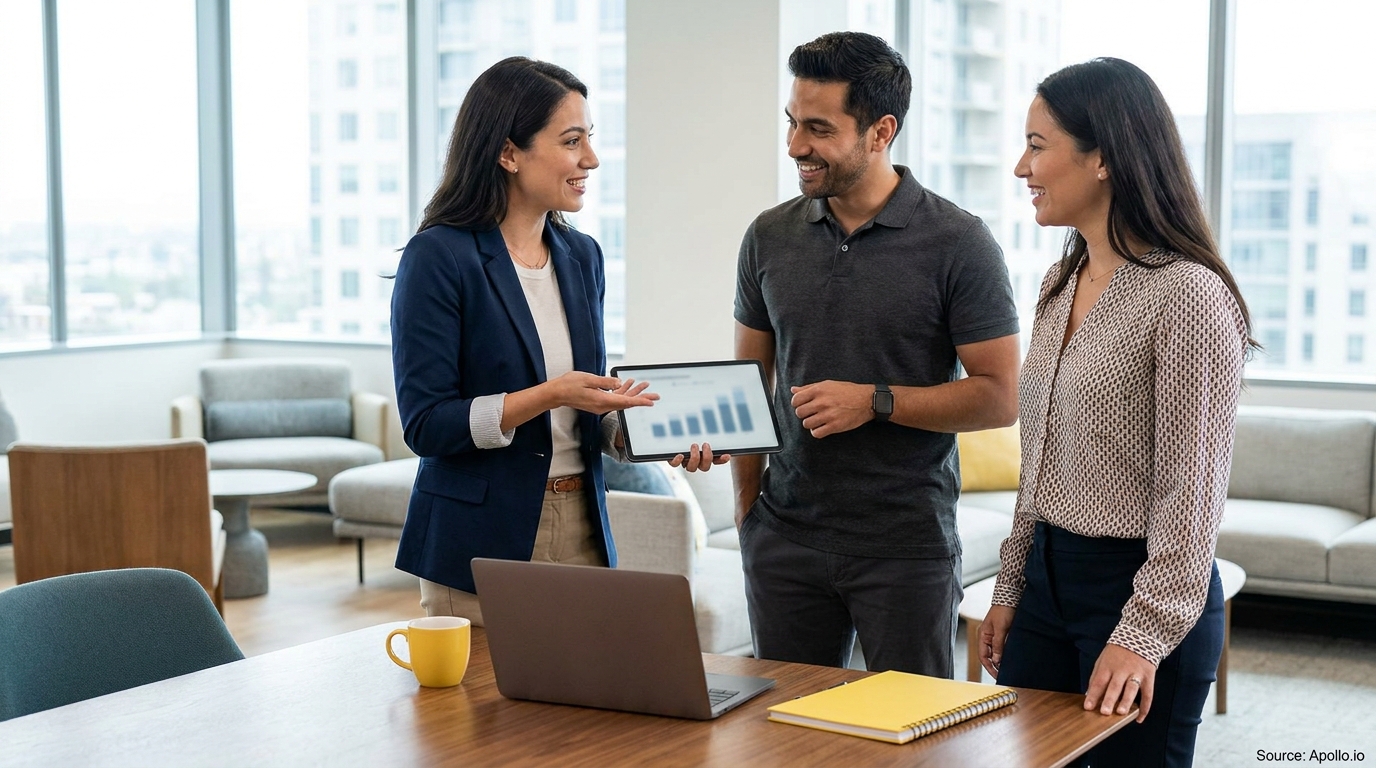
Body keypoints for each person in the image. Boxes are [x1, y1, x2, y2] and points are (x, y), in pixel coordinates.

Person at [978, 58, 1253, 767]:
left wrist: (1144, 630)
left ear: (1102, 156)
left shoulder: (1187, 294)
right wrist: (1013, 583)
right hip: (1045, 581)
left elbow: (1190, 491)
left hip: (1140, 585)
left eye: (1037, 145)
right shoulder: (1058, 281)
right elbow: (1037, 454)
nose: (1021, 167)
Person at [732, 32, 1021, 677]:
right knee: (789, 740)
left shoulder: (959, 243)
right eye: (791, 123)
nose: (794, 146)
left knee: (912, 741)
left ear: (880, 130)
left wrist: (874, 402)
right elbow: (749, 382)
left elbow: (1001, 396)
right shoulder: (768, 236)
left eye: (817, 128)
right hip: (784, 539)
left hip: (905, 548)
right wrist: (749, 516)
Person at [389, 57, 657, 625]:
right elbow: (427, 425)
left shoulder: (582, 257)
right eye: (571, 140)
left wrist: (648, 433)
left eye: (591, 138)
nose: (592, 158)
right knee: (481, 716)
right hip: (479, 540)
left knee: (585, 710)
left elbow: (585, 408)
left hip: (585, 523)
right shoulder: (439, 257)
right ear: (509, 153)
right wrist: (550, 393)